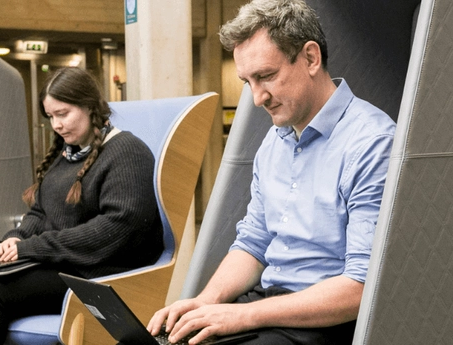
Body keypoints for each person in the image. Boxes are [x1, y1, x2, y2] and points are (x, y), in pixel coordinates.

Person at [147, 0, 396, 344]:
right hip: (268, 307)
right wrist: (206, 302)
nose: (257, 97)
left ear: (310, 58)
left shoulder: (372, 142)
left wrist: (241, 315)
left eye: (265, 76)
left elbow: (361, 287)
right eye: (247, 81)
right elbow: (254, 242)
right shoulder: (275, 140)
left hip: (325, 322)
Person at [0, 67, 164, 345]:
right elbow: (40, 212)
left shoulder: (127, 151)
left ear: (89, 106)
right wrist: (16, 239)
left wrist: (33, 248)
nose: (57, 125)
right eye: (51, 117)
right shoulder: (68, 154)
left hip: (102, 271)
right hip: (64, 262)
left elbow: (117, 229)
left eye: (63, 114)